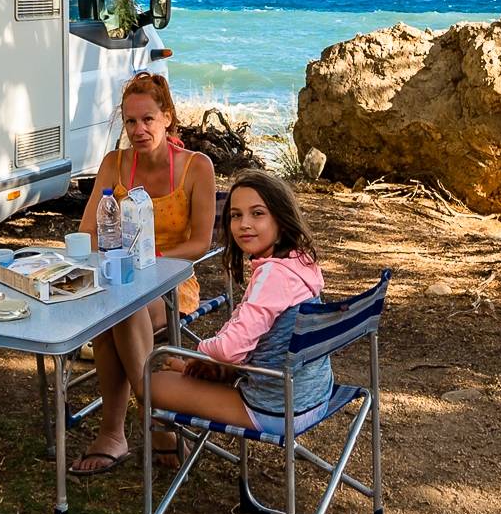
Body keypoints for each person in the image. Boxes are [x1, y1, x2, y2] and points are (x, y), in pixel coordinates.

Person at [68, 70, 218, 474]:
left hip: (171, 282)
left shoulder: (196, 168)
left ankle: (118, 431)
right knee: (115, 307)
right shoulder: (115, 164)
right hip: (118, 278)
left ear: (167, 117)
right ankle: (152, 416)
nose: (138, 129)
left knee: (118, 311)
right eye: (130, 121)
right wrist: (114, 263)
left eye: (148, 119)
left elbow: (200, 243)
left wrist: (147, 262)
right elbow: (88, 231)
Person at [147, 169, 331, 438]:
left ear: (281, 220)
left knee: (152, 383)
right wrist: (214, 363)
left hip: (277, 409)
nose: (244, 224)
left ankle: (165, 441)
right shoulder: (300, 261)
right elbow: (258, 336)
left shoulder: (273, 275)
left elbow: (230, 349)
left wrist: (201, 351)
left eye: (257, 213)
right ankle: (193, 374)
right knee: (194, 369)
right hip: (315, 395)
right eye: (236, 215)